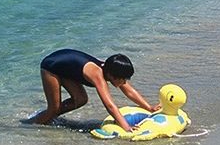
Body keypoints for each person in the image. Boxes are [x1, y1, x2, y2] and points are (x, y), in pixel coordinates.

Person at [32, 49, 160, 133]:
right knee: (54, 107)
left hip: (66, 67)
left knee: (81, 99)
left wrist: (149, 108)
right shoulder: (97, 75)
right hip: (51, 67)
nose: (124, 83)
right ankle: (31, 125)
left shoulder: (111, 68)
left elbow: (130, 91)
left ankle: (49, 119)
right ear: (111, 75)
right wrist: (126, 127)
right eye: (122, 80)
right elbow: (109, 104)